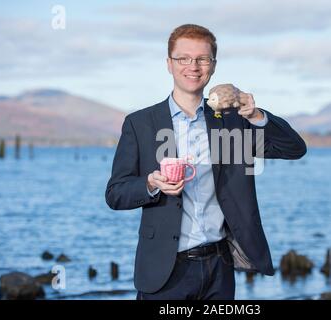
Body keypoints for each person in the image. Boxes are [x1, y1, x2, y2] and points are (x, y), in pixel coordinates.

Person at [105, 24, 307, 300]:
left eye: (202, 58)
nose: (193, 66)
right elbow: (116, 194)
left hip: (219, 269)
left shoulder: (234, 122)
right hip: (164, 272)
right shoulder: (140, 124)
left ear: (213, 65)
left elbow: (294, 148)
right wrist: (151, 184)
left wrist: (256, 115)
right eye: (183, 58)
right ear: (169, 63)